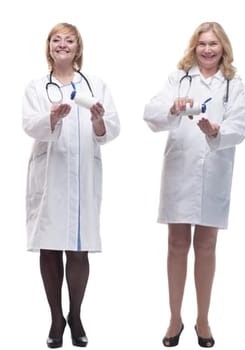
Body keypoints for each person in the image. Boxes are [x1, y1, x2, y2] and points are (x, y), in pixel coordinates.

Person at [142, 21, 245, 348]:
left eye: (213, 44)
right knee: (176, 244)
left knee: (206, 246)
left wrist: (216, 131)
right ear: (194, 46)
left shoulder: (233, 84)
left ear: (223, 48)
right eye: (202, 43)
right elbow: (151, 114)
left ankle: (203, 319)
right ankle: (175, 317)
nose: (207, 49)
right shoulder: (179, 78)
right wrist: (171, 109)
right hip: (180, 168)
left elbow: (241, 126)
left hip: (214, 170)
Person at [23, 22, 121, 349]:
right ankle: (55, 318)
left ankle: (76, 315)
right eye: (56, 39)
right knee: (50, 247)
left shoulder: (96, 85)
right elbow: (29, 124)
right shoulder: (37, 87)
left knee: (78, 250)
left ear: (78, 48)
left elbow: (112, 127)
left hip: (82, 175)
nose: (62, 44)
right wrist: (51, 118)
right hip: (50, 175)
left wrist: (97, 122)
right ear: (48, 46)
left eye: (69, 40)